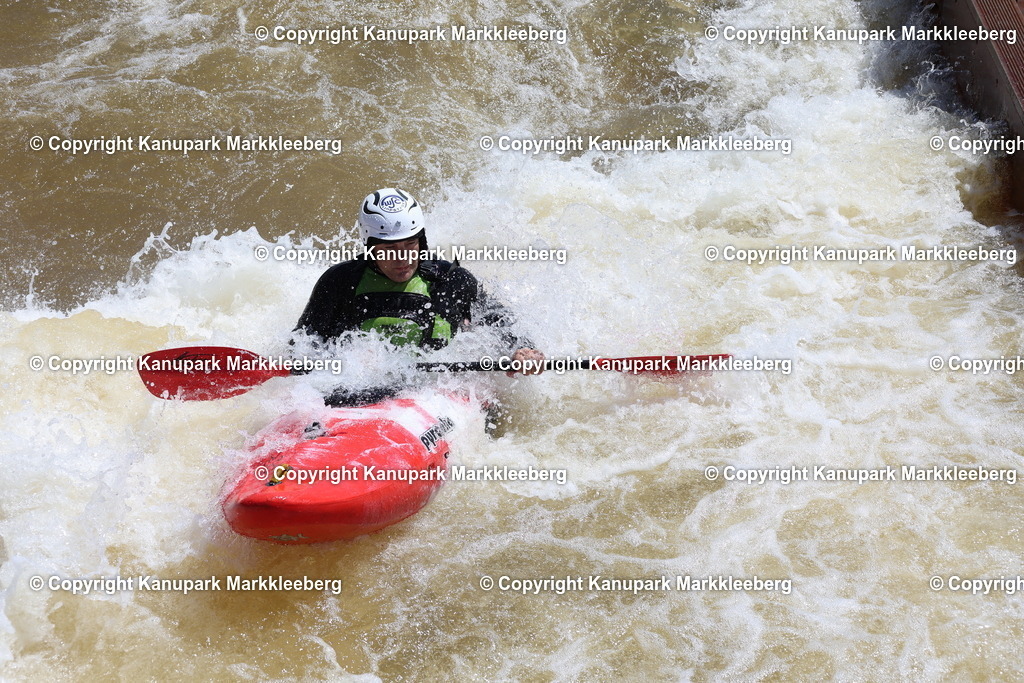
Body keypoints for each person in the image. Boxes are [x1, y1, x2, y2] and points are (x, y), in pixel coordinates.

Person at [292, 188, 544, 403]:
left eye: (410, 244)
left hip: (435, 398)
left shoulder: (451, 280)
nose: (402, 258)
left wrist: (522, 349)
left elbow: (497, 318)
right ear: (370, 247)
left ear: (421, 242)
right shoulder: (340, 281)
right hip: (359, 395)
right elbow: (304, 343)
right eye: (389, 248)